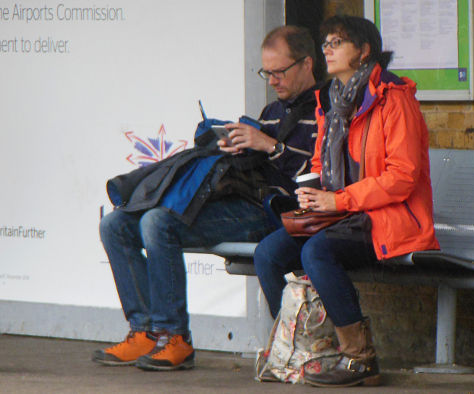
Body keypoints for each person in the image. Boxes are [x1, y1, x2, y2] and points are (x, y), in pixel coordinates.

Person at [92, 25, 320, 371]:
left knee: (157, 221)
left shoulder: (326, 108)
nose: (272, 80)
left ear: (306, 64)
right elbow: (257, 163)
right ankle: (146, 332)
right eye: (267, 72)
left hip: (273, 211)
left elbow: (320, 174)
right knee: (115, 224)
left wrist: (269, 146)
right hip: (240, 198)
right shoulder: (272, 110)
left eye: (280, 72)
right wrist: (234, 146)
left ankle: (175, 337)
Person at [253, 15, 440, 387]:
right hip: (343, 212)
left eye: (336, 43)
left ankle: (358, 358)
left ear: (364, 50)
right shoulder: (331, 100)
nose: (327, 49)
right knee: (268, 254)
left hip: (389, 217)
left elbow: (402, 178)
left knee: (317, 252)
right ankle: (301, 349)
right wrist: (312, 187)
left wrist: (338, 201)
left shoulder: (394, 99)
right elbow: (323, 161)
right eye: (325, 43)